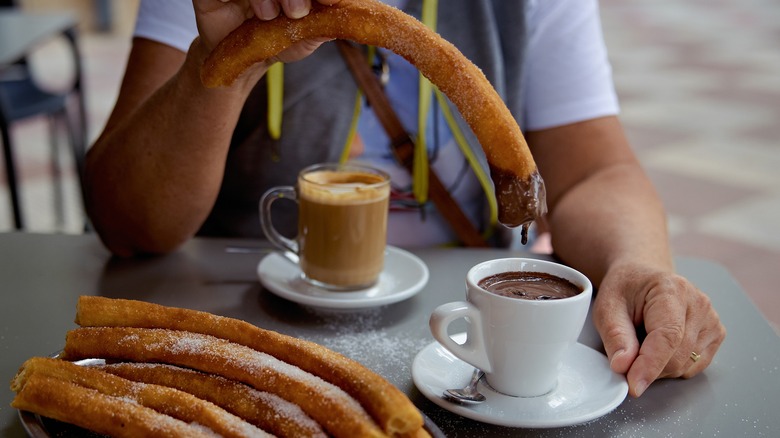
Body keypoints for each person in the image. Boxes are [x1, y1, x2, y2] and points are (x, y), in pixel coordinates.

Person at [84, 0, 725, 398]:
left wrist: (637, 264)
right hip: (243, 332)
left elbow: (596, 171)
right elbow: (129, 223)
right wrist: (216, 65)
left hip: (472, 338)